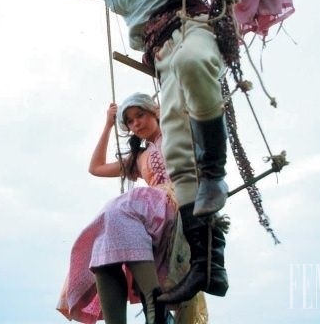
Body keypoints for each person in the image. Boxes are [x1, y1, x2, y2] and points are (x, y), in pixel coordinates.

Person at [55, 0, 228, 304]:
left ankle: (215, 173)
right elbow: (97, 167)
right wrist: (109, 121)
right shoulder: (110, 0)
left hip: (185, 23)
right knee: (181, 155)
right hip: (158, 52)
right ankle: (207, 267)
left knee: (195, 62)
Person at [56, 93, 211, 324]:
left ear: (155, 113)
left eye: (140, 115)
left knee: (118, 209)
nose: (136, 123)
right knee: (102, 242)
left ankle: (155, 309)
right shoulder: (139, 157)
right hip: (150, 213)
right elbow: (96, 167)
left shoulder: (176, 133)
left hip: (177, 203)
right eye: (129, 121)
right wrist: (108, 125)